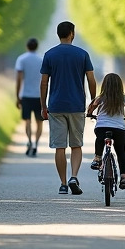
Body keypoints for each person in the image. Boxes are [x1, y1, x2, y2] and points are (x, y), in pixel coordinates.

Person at [40, 21, 97, 195]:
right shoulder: (82, 54)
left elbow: (44, 82)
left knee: (59, 146)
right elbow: (91, 79)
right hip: (77, 105)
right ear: (72, 33)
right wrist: (93, 100)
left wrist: (44, 106)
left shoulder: (49, 54)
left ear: (58, 34)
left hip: (56, 106)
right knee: (76, 145)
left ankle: (63, 184)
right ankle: (74, 176)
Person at [86, 73, 125, 190]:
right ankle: (124, 178)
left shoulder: (100, 98)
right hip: (119, 129)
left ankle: (97, 159)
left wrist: (90, 114)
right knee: (121, 152)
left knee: (99, 139)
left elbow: (91, 107)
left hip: (102, 127)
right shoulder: (122, 98)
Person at [14, 37, 44, 156]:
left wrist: (17, 96)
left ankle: (30, 141)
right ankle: (36, 143)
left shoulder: (21, 59)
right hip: (38, 95)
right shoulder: (41, 60)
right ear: (37, 46)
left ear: (27, 46)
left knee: (27, 121)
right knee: (39, 122)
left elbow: (19, 79)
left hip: (25, 94)